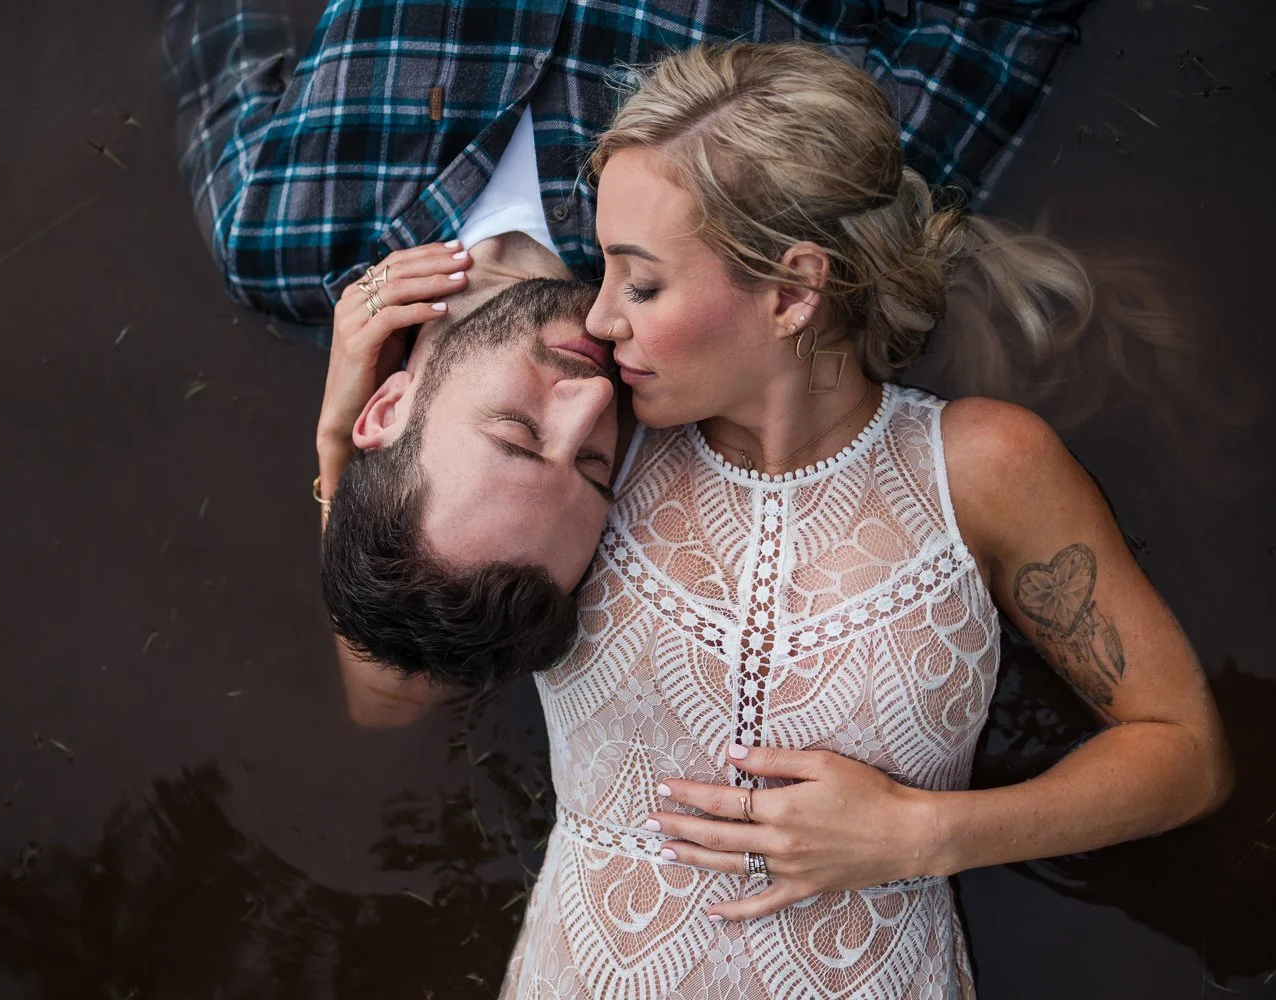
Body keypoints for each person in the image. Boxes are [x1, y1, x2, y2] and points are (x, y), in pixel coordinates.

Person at [490, 43, 1232, 998]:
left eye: (642, 284)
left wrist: (924, 834)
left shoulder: (981, 469)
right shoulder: (589, 440)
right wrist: (339, 440)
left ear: (793, 291)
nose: (598, 321)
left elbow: (1187, 754)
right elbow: (392, 681)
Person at [162, 0, 1093, 712]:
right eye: (596, 468)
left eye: (517, 434)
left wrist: (333, 454)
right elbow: (1002, 22)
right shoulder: (766, 252)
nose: (588, 404)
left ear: (387, 408)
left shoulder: (280, 236)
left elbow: (383, 697)